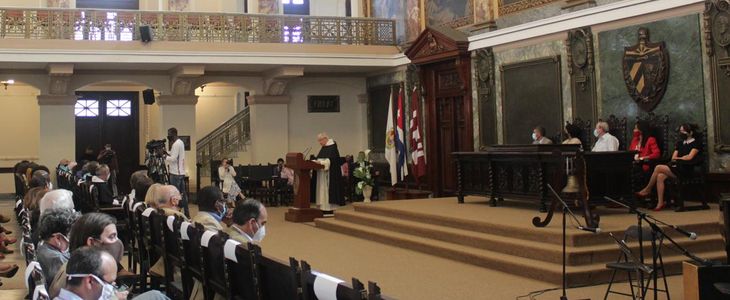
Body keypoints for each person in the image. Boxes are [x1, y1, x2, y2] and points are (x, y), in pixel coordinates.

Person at [636, 124, 702, 211]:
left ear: (690, 132)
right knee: (660, 176)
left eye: (683, 131)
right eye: (680, 131)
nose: (681, 133)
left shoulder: (696, 143)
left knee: (658, 167)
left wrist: (680, 158)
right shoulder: (680, 143)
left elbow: (690, 157)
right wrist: (682, 157)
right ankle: (660, 203)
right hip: (677, 167)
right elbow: (673, 158)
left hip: (686, 169)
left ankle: (648, 189)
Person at [189, 186, 229, 300]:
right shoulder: (208, 224)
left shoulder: (198, 218)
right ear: (217, 204)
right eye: (223, 201)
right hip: (213, 281)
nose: (225, 205)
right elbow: (223, 252)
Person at [148, 185, 188, 277]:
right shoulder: (176, 217)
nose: (181, 198)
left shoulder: (156, 214)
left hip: (167, 258)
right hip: (180, 264)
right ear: (173, 200)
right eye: (180, 195)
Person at [36, 208, 79, 285]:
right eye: (71, 236)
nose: (73, 240)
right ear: (58, 238)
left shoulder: (43, 247)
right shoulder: (57, 259)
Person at [313, 133, 344, 211]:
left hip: (330, 173)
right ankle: (323, 207)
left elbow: (331, 160)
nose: (319, 142)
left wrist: (321, 163)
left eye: (320, 140)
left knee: (328, 189)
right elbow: (320, 158)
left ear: (325, 139)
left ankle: (329, 207)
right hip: (322, 173)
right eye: (318, 141)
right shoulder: (324, 147)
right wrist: (316, 161)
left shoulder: (332, 146)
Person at [165, 127, 189, 217]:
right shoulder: (180, 142)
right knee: (183, 194)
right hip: (180, 173)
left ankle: (177, 214)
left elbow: (173, 159)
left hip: (175, 173)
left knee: (175, 195)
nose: (168, 136)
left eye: (169, 134)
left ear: (173, 134)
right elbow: (174, 155)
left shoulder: (176, 144)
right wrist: (166, 152)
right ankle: (187, 214)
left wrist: (164, 157)